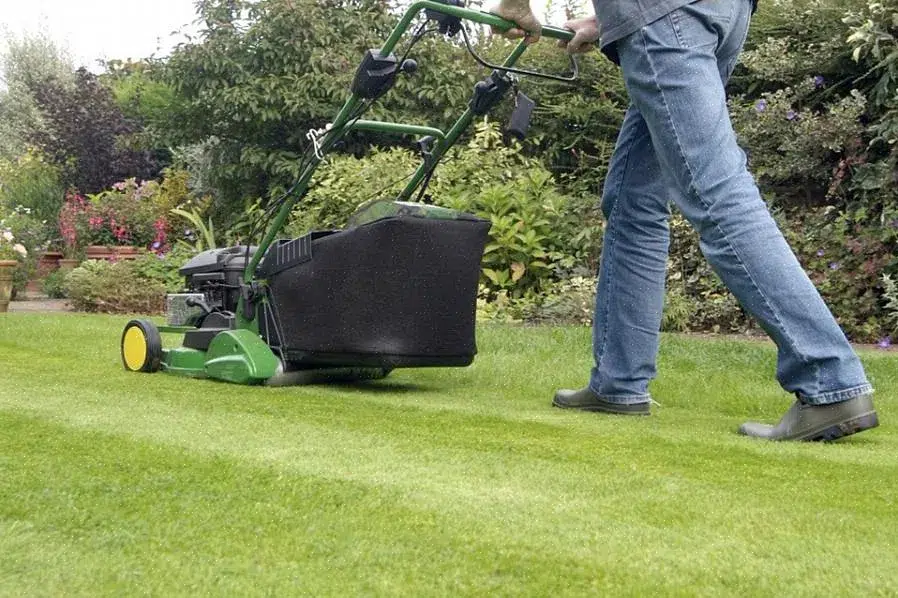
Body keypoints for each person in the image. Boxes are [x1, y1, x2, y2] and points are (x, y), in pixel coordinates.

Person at [489, 0, 879, 441]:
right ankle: (619, 383)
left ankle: (830, 380)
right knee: (633, 199)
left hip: (666, 16)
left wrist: (515, 6)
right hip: (721, 12)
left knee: (717, 193)